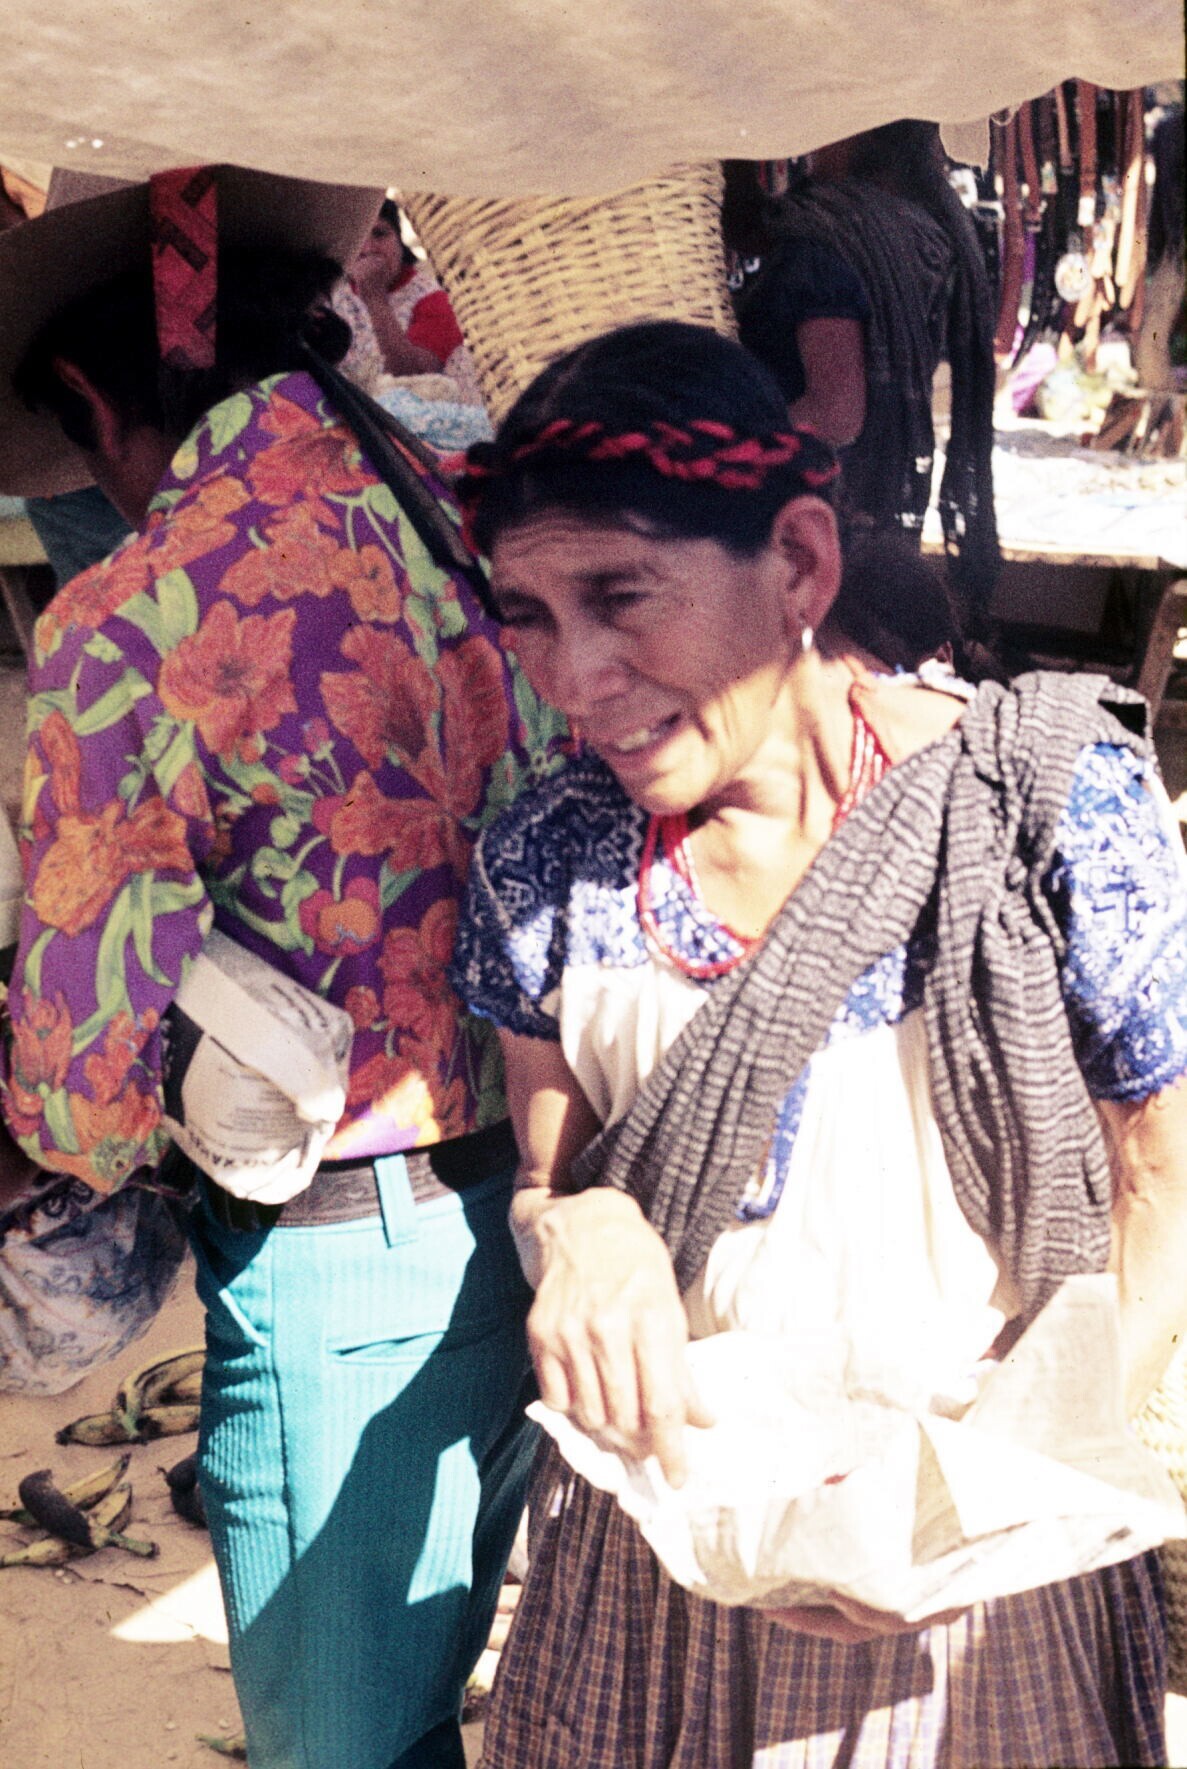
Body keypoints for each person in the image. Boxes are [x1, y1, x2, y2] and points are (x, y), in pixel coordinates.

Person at [449, 319, 1187, 1769]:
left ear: (796, 561)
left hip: (979, 1555)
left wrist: (986, 1496)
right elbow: (552, 1179)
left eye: (620, 595)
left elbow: (1160, 1182)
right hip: (675, 1556)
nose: (572, 675)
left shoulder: (1040, 814)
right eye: (526, 613)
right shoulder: (550, 860)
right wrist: (580, 1224)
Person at [0, 164, 565, 1769]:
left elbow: (80, 1088)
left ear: (98, 399)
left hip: (341, 1268)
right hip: (548, 1195)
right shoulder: (467, 517)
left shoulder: (133, 618)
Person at [726, 124, 1000, 623]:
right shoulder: (916, 223)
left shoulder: (825, 243)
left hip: (806, 505)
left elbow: (835, 412)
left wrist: (721, 446)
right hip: (858, 505)